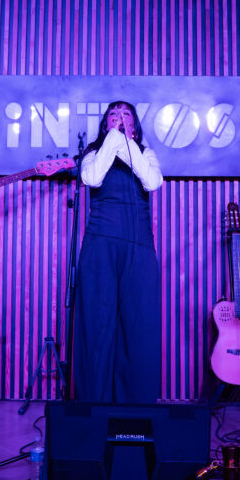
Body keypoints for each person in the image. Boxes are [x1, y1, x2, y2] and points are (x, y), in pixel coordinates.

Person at [73, 101, 164, 402]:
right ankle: (94, 402)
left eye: (126, 114)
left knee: (139, 322)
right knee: (97, 322)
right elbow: (92, 178)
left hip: (139, 245)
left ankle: (135, 403)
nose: (119, 117)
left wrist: (127, 144)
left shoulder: (146, 153)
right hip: (100, 244)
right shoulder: (92, 153)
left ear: (135, 125)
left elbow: (152, 181)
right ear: (104, 124)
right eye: (113, 114)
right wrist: (113, 139)